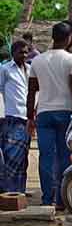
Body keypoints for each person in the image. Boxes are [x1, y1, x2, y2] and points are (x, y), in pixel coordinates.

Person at [27, 22, 72, 207]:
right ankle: (62, 199)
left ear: (53, 37)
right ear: (68, 38)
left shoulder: (37, 60)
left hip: (43, 113)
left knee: (46, 156)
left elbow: (32, 91)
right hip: (65, 112)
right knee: (64, 156)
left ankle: (46, 199)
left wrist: (30, 117)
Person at [0, 41, 31, 193]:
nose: (24, 55)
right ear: (13, 53)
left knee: (23, 158)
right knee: (11, 157)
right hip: (11, 117)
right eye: (21, 52)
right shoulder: (5, 69)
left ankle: (20, 191)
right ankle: (8, 192)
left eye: (26, 52)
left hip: (27, 118)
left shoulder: (30, 69)